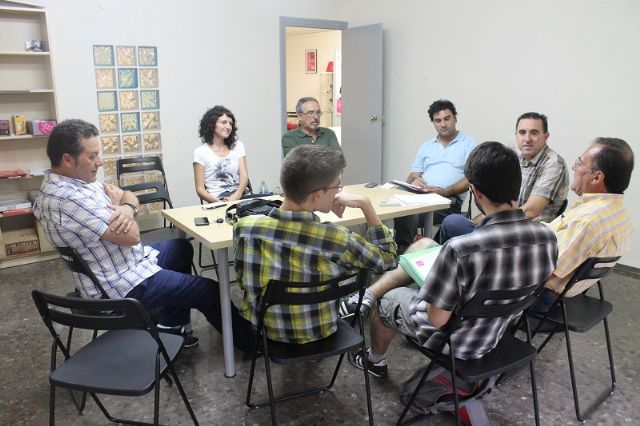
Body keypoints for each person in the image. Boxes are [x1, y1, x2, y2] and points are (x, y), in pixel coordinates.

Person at [33, 119, 255, 351]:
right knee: (208, 290)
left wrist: (126, 207)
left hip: (125, 263)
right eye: (92, 156)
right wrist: (122, 205)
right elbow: (132, 236)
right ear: (67, 159)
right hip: (121, 285)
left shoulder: (73, 184)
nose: (99, 162)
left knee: (181, 248)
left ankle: (171, 326)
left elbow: (126, 195)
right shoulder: (70, 199)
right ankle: (252, 343)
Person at [348, 142, 558, 377]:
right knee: (425, 245)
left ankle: (374, 361)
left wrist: (430, 287)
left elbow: (436, 320)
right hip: (497, 331)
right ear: (516, 186)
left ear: (476, 191)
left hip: (457, 342)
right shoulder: (548, 238)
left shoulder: (461, 250)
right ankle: (366, 296)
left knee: (388, 299)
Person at [234, 145, 397, 344]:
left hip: (267, 331)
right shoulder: (337, 239)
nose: (340, 191)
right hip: (321, 329)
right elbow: (388, 259)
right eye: (338, 185)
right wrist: (365, 204)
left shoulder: (245, 228)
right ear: (318, 195)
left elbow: (245, 282)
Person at [533, 137, 634, 311]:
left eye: (579, 163)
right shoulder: (619, 214)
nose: (574, 167)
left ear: (596, 177)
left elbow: (542, 272)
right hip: (563, 288)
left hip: (540, 297)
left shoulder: (587, 221)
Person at [438, 112, 569, 242]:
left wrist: (487, 224)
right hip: (502, 226)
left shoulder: (554, 164)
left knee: (453, 224)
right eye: (522, 132)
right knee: (457, 222)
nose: (527, 138)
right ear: (516, 136)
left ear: (546, 136)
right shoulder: (516, 160)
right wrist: (475, 222)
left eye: (534, 133)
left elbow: (531, 211)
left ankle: (432, 255)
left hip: (527, 236)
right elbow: (496, 204)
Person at [393, 99, 477, 253]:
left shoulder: (468, 144)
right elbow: (413, 175)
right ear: (433, 123)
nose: (443, 124)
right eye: (438, 120)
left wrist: (442, 192)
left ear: (455, 118)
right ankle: (403, 254)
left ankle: (411, 254)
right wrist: (414, 181)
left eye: (447, 119)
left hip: (448, 202)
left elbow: (470, 179)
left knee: (410, 211)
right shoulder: (426, 146)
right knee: (403, 209)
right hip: (423, 196)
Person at [193, 105, 250, 202]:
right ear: (212, 124)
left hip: (240, 198)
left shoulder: (238, 146)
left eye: (230, 123)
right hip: (217, 200)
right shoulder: (200, 152)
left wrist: (236, 195)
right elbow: (200, 190)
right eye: (223, 122)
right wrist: (219, 203)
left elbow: (244, 176)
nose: (228, 127)